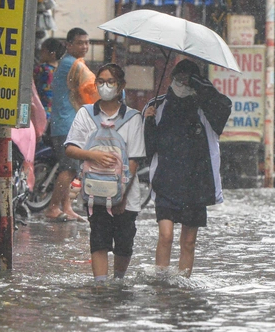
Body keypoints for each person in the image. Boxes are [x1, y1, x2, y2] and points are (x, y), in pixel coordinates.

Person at [143, 59, 232, 277]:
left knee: (189, 241)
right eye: (178, 79)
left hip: (196, 184)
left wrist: (199, 86)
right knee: (166, 235)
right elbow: (148, 148)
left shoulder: (208, 110)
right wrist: (148, 123)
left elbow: (224, 105)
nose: (182, 84)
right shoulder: (158, 106)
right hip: (166, 181)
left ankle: (183, 285)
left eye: (187, 80)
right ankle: (161, 280)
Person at [64, 64, 145, 281]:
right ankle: (100, 287)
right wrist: (93, 156)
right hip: (95, 191)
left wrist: (122, 196)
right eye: (100, 81)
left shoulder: (133, 118)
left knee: (124, 243)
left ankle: (118, 281)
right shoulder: (86, 114)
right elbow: (70, 148)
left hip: (126, 196)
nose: (105, 86)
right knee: (98, 239)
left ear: (121, 86)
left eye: (111, 82)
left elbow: (135, 160)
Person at [45, 27, 92, 222]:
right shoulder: (72, 65)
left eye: (87, 42)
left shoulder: (69, 63)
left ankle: (66, 207)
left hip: (67, 123)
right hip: (66, 125)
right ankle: (53, 207)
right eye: (80, 43)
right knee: (70, 168)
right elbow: (95, 87)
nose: (85, 46)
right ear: (68, 44)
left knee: (73, 168)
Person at [33, 37, 66, 121]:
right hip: (56, 113)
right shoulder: (62, 70)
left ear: (52, 54)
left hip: (41, 110)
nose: (40, 53)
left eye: (43, 51)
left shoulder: (42, 69)